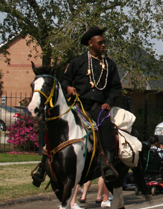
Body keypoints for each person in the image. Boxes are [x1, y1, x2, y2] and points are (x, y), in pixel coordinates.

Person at [31, 26, 122, 187]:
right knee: (55, 127)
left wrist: (109, 101)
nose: (103, 45)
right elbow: (65, 79)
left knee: (106, 125)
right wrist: (68, 87)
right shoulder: (78, 62)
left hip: (97, 108)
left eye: (103, 42)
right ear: (90, 43)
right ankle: (43, 165)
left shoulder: (109, 65)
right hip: (77, 105)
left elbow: (116, 87)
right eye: (99, 42)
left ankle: (107, 164)